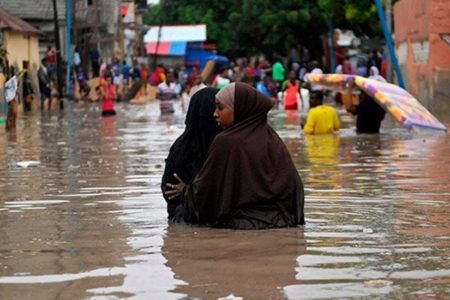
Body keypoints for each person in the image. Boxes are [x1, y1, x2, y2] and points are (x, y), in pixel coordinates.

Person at [165, 83, 305, 229]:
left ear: (239, 108)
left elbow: (206, 192)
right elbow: (295, 188)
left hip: (242, 227)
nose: (214, 114)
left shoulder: (225, 141)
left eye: (220, 107)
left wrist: (185, 192)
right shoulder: (273, 138)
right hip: (284, 224)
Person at [161, 88, 222, 221]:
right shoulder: (182, 149)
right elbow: (170, 191)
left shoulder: (223, 144)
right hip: (185, 218)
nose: (218, 114)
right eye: (216, 108)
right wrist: (189, 193)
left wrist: (187, 191)